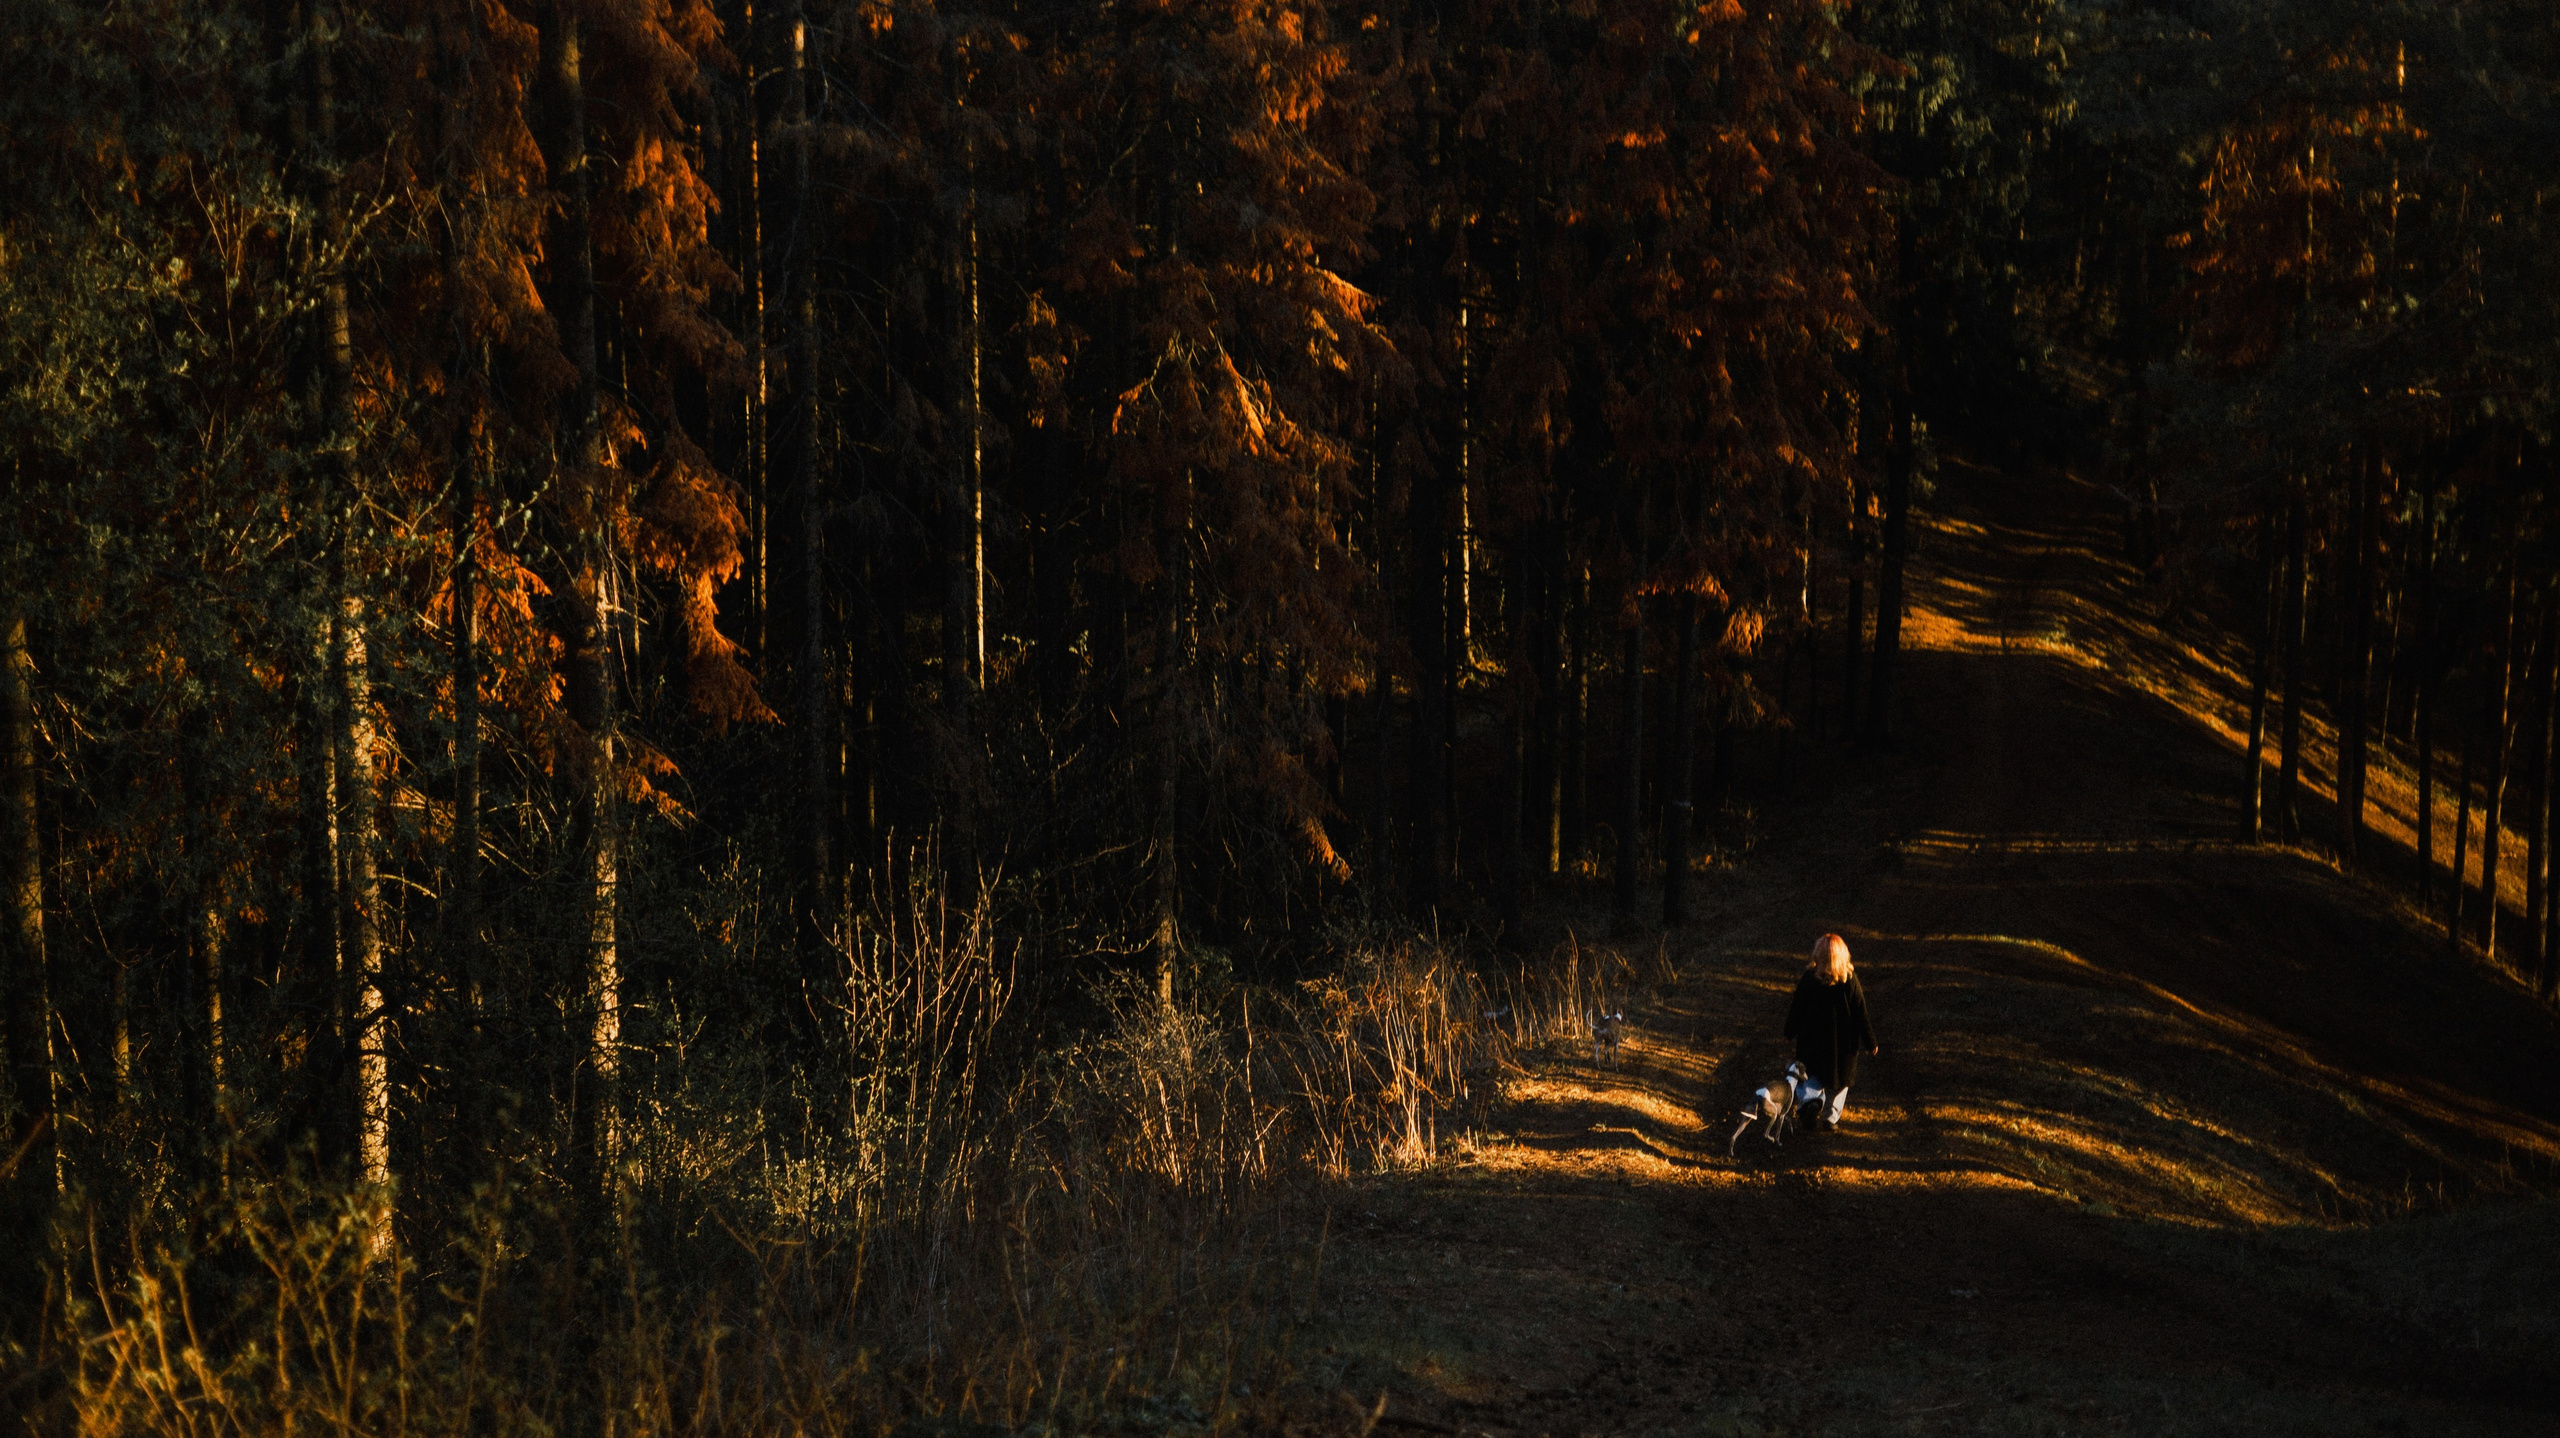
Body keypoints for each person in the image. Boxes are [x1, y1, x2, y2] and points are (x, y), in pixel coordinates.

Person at [1784, 932, 1879, 1129]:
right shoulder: (1849, 981)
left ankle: (1810, 1101)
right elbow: (1861, 1012)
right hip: (1843, 1046)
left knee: (1810, 1076)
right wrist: (1870, 1042)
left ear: (1817, 955)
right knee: (1840, 1083)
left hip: (1812, 1042)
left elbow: (1797, 1008)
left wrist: (1789, 1031)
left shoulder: (1810, 979)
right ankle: (1830, 1117)